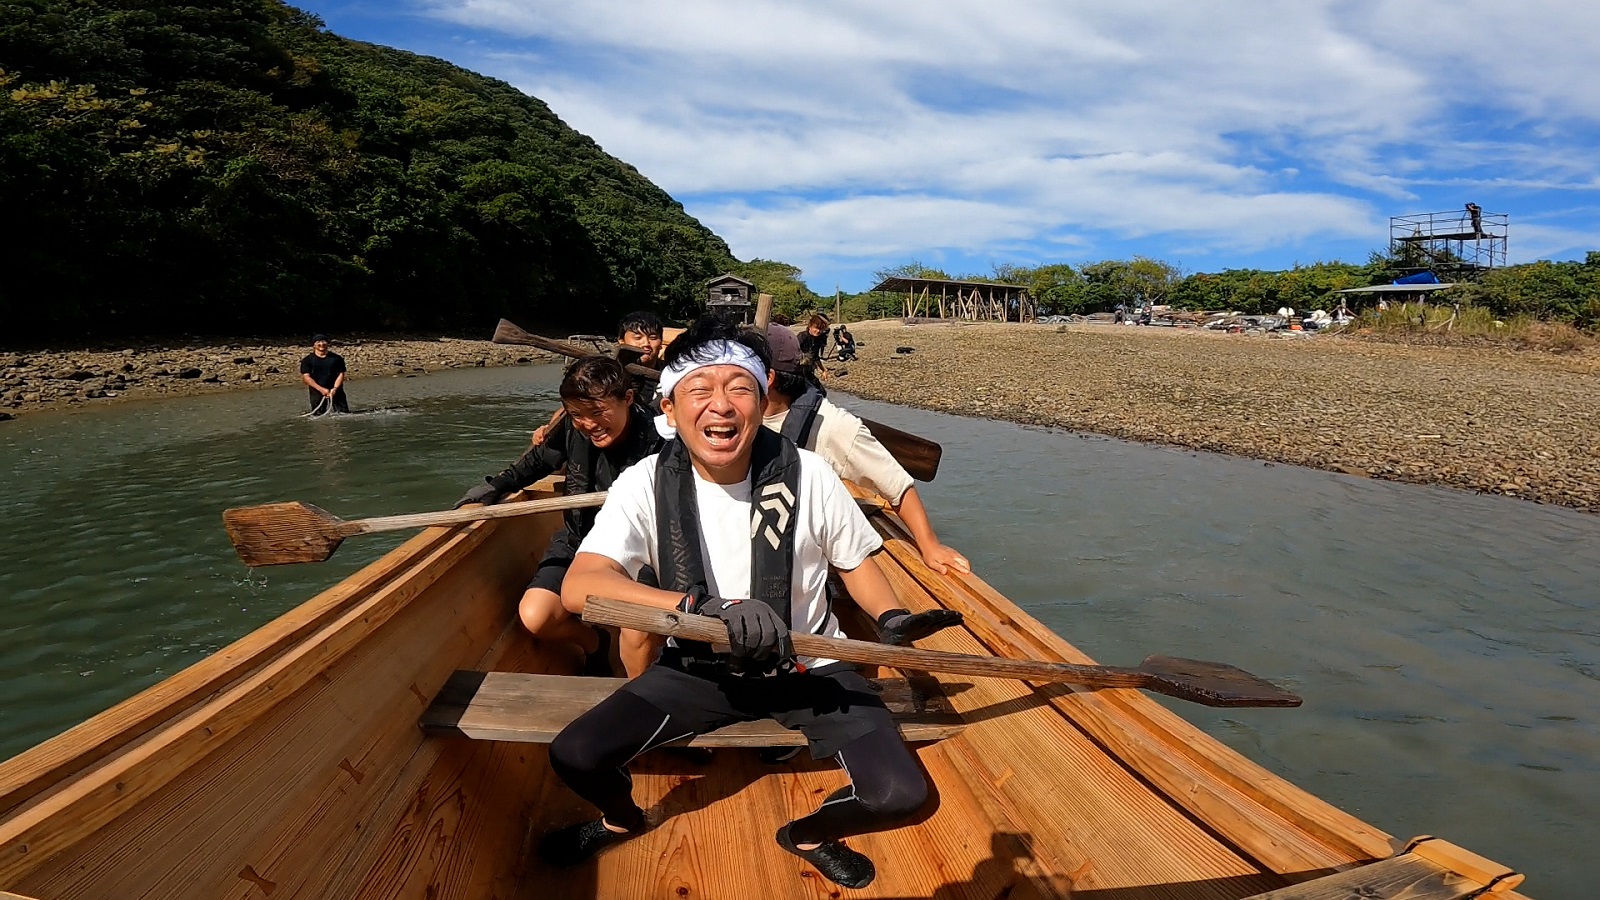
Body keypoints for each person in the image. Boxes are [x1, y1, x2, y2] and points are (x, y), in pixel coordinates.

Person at [544, 317, 933, 889]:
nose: (720, 406)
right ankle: (622, 820)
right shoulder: (645, 481)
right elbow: (581, 584)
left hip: (810, 664)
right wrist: (700, 608)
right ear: (669, 409)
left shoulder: (810, 472)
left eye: (739, 388)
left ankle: (808, 833)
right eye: (699, 390)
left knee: (906, 796)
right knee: (574, 754)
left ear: (763, 395)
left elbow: (856, 565)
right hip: (699, 669)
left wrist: (893, 617)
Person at [457, 355, 662, 675]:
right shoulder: (574, 426)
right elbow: (538, 462)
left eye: (598, 412)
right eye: (577, 414)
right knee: (536, 617)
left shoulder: (659, 439)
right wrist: (494, 487)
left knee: (637, 630)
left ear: (629, 399)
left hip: (642, 551)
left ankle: (641, 696)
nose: (589, 424)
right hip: (581, 537)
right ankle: (594, 643)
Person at [299, 334, 350, 414]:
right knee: (318, 415)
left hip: (336, 390)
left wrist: (335, 388)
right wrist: (321, 389)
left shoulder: (337, 358)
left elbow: (341, 374)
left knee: (343, 414)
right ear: (314, 345)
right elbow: (306, 378)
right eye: (318, 342)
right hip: (317, 391)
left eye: (324, 341)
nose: (321, 344)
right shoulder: (307, 360)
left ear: (328, 344)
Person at [796, 313, 830, 385]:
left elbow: (815, 356)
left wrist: (823, 370)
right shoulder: (802, 337)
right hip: (798, 371)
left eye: (820, 329)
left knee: (821, 392)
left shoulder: (818, 339)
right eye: (816, 328)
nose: (818, 331)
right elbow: (793, 352)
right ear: (810, 326)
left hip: (809, 370)